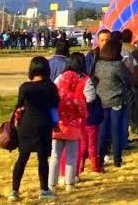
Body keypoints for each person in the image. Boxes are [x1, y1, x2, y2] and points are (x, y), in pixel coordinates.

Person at [10, 57, 60, 201]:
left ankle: (14, 191)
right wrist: (56, 124)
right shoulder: (50, 87)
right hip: (44, 126)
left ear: (31, 69)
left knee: (22, 158)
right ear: (47, 70)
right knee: (42, 159)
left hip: (26, 126)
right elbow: (53, 108)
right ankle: (44, 190)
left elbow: (18, 106)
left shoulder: (25, 87)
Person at [49, 53, 94, 192]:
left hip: (57, 128)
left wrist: (54, 122)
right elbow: (84, 110)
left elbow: (51, 110)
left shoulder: (56, 96)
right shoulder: (76, 97)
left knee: (55, 155)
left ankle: (52, 183)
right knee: (71, 156)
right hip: (73, 130)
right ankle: (70, 182)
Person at [94, 40, 130, 169]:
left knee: (103, 131)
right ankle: (117, 158)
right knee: (115, 130)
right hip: (117, 100)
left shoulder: (99, 64)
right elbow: (126, 79)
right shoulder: (118, 65)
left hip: (102, 100)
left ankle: (99, 158)